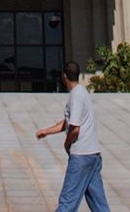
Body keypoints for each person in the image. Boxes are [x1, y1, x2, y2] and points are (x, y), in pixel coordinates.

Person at [36, 61, 110, 212]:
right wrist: (46, 131)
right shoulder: (82, 92)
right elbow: (69, 122)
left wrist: (67, 144)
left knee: (67, 202)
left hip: (81, 156)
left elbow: (75, 129)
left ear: (64, 76)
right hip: (93, 155)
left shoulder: (76, 96)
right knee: (99, 204)